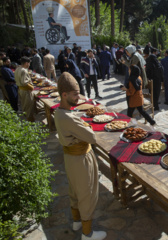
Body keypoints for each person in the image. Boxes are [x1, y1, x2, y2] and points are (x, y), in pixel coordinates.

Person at [54, 72, 107, 240]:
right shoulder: (68, 118)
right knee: (87, 193)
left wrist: (81, 125)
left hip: (71, 158)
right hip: (81, 159)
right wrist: (84, 125)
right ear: (64, 94)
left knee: (75, 191)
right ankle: (87, 233)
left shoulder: (59, 112)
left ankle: (77, 222)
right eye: (75, 94)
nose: (79, 97)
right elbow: (91, 137)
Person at [15, 56, 35, 122]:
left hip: (21, 90)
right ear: (26, 63)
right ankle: (31, 122)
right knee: (29, 107)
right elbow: (24, 83)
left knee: (24, 105)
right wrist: (32, 87)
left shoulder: (18, 68)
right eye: (29, 63)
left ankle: (27, 119)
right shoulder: (24, 70)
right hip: (26, 91)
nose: (29, 65)